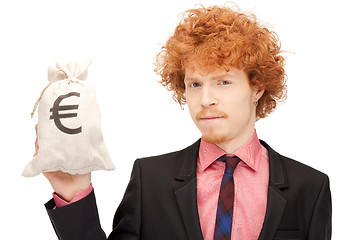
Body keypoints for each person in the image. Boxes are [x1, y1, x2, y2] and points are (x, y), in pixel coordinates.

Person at [40, 5, 331, 240]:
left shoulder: (310, 187)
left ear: (257, 88)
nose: (205, 99)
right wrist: (73, 193)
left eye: (223, 81)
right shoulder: (150, 179)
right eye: (194, 84)